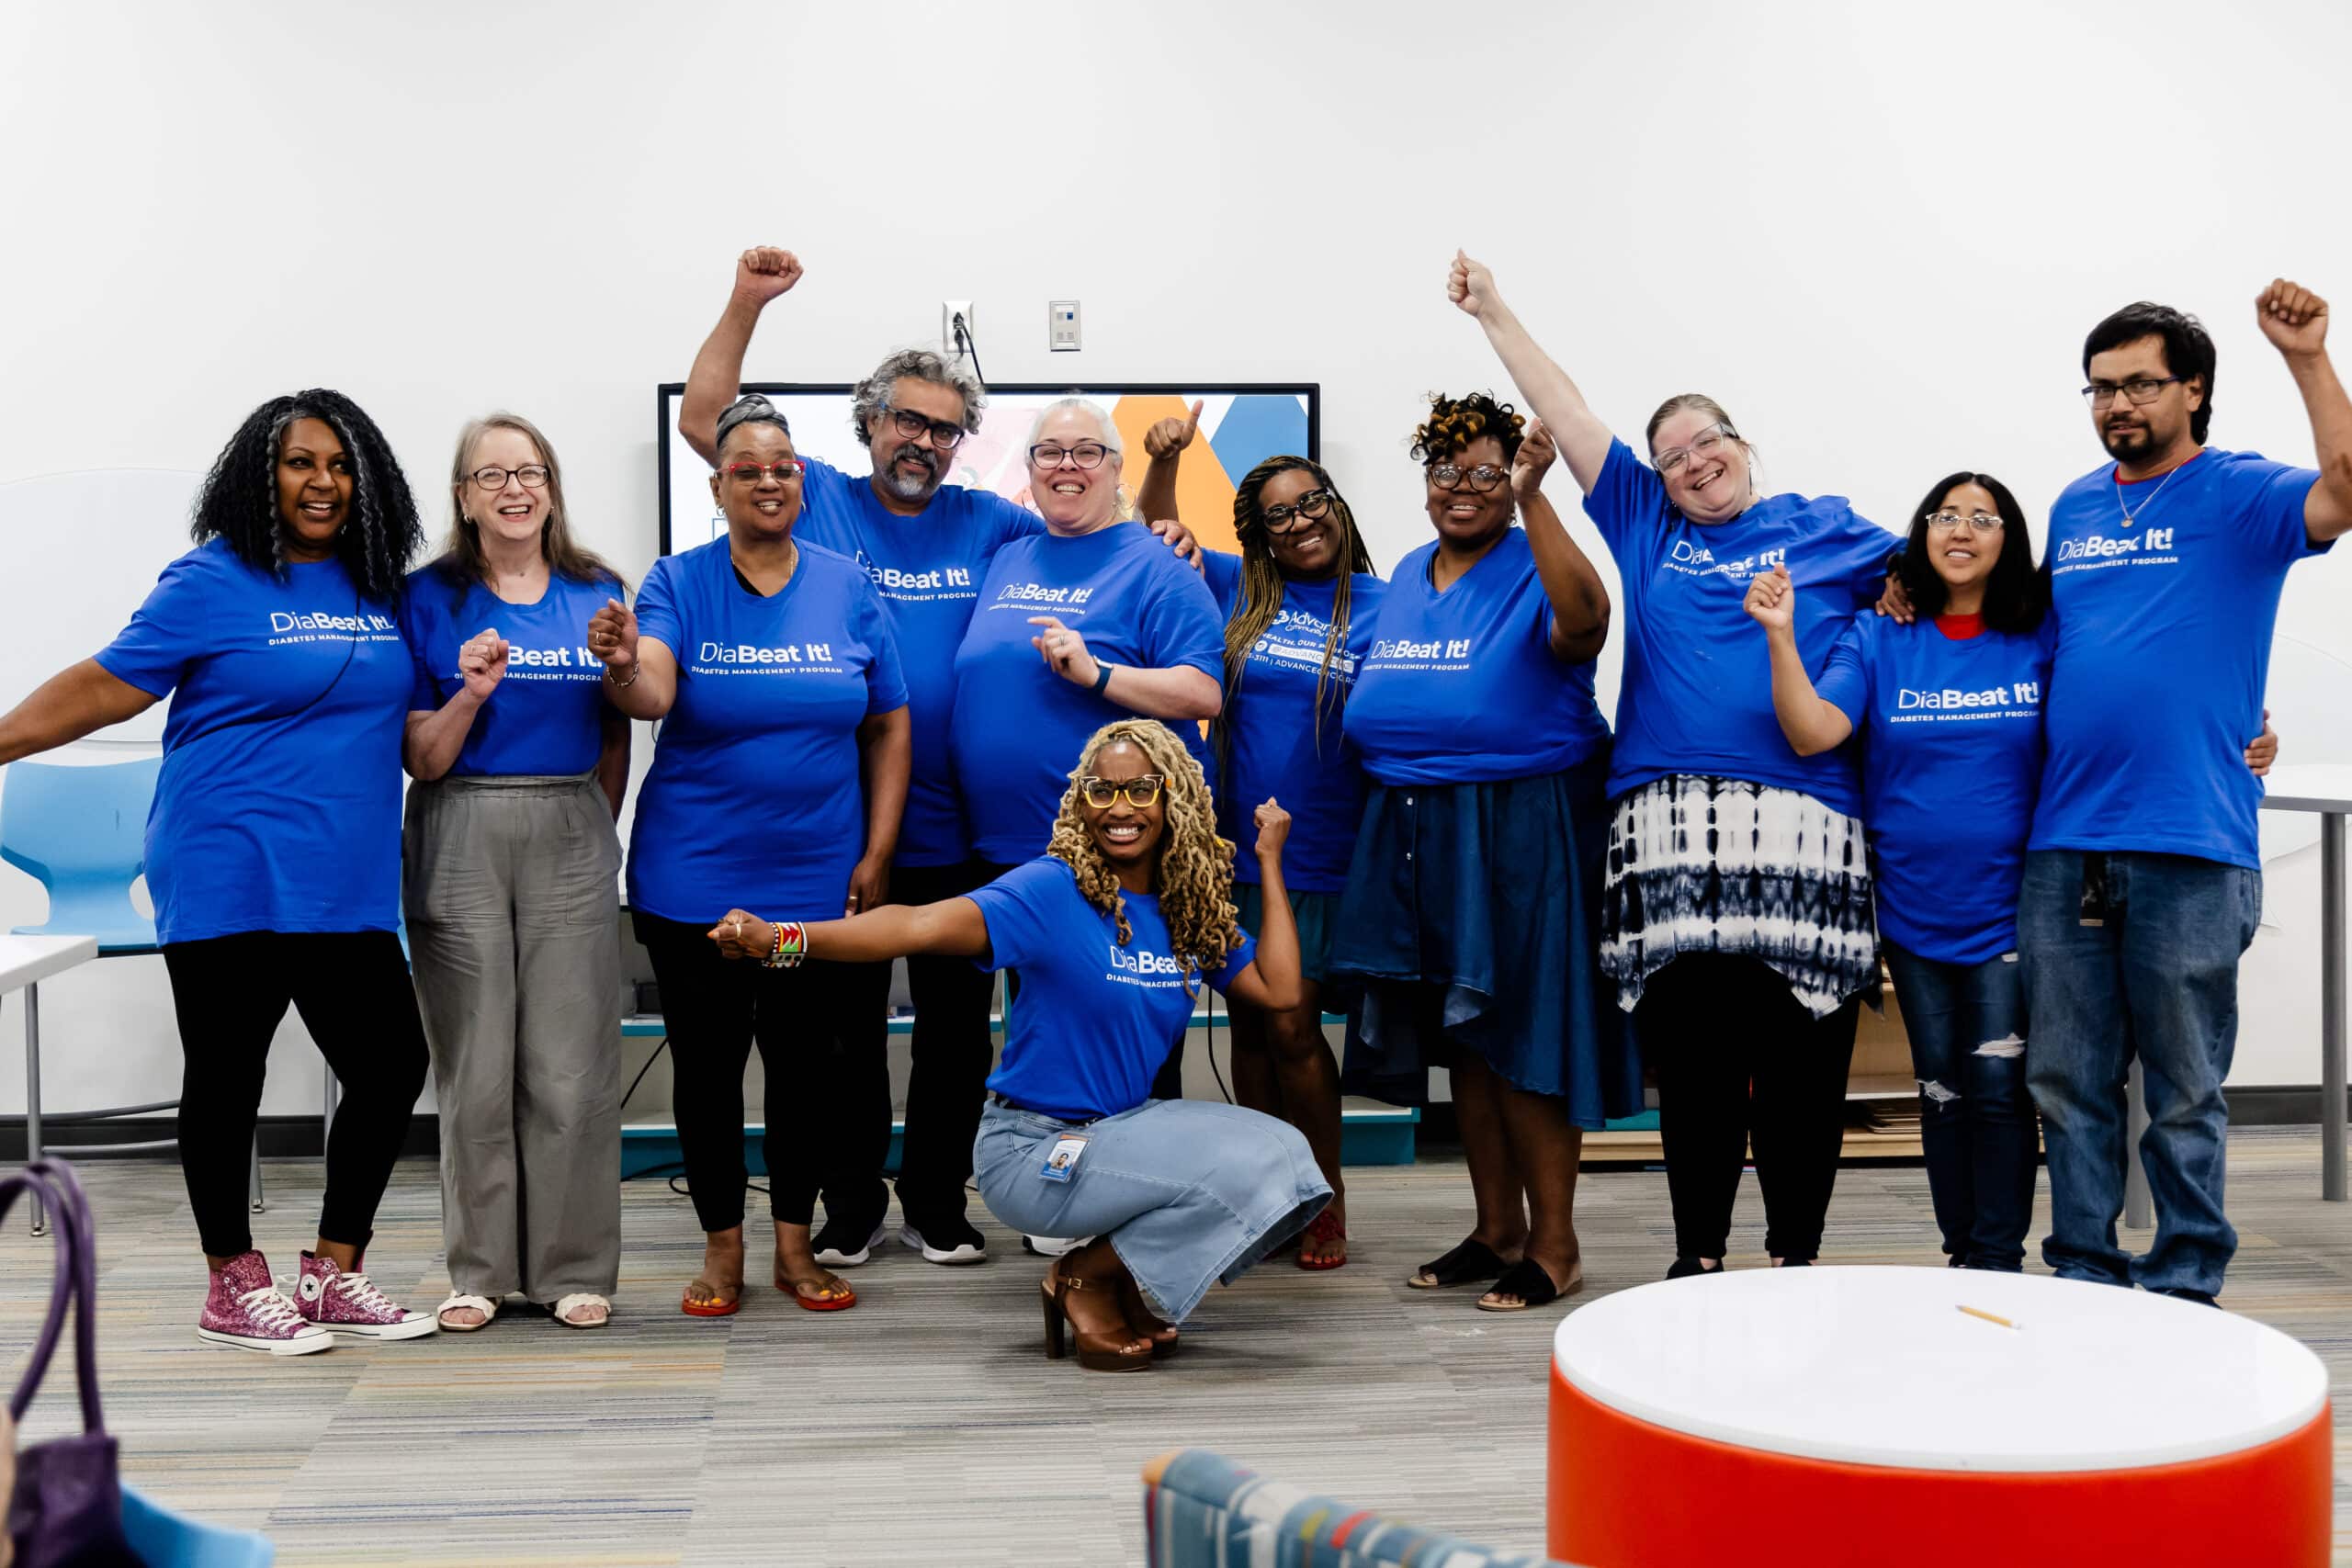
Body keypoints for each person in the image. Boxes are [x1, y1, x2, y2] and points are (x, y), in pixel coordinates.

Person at [679, 248, 1199, 1269]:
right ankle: (850, 1202)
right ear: (869, 423)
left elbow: (1083, 525)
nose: (921, 440)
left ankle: (936, 1200)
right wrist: (747, 303)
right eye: (905, 420)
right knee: (843, 1030)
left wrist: (1163, 530)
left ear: (964, 443)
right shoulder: (816, 495)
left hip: (975, 832)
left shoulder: (996, 525)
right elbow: (708, 419)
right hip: (851, 827)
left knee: (959, 1032)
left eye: (943, 427)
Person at [1453, 251, 1902, 1279]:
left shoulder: (1828, 527)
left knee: (1799, 1063)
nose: (1692, 463)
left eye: (1706, 442)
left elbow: (1968, 578)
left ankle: (1796, 1257)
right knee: (1695, 1067)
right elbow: (1563, 412)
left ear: (1743, 444)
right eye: (1670, 456)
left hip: (1804, 832)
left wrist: (1909, 593)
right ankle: (1697, 1254)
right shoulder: (1647, 524)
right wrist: (1495, 313)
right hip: (1664, 836)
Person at [1749, 474, 2282, 1272]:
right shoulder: (1877, 634)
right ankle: (1964, 1250)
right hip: (1913, 910)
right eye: (1944, 514)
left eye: (1983, 517)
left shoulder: (2042, 634)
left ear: (2011, 541)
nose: (1960, 529)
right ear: (1922, 533)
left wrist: (2246, 728)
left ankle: (1998, 1256)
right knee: (1942, 1093)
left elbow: (2134, 685)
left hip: (2018, 907)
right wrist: (1781, 635)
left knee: (2001, 1091)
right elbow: (1815, 730)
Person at [0, 389, 436, 1352]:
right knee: (229, 1070)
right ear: (260, 475)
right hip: (224, 856)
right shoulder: (210, 579)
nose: (321, 482)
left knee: (391, 1062)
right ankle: (232, 1283)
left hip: (343, 874)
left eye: (339, 464)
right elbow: (104, 684)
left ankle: (333, 1272)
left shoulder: (385, 591)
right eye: (299, 463)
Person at [706, 719, 1329, 1371]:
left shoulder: (1183, 907)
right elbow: (914, 925)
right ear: (1080, 801)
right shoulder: (1052, 891)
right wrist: (785, 938)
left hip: (1123, 1130)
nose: (1120, 808)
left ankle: (1113, 1277)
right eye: (1102, 790)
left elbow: (1281, 990)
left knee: (1284, 1155)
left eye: (1142, 790)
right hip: (1034, 1148)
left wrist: (1268, 862)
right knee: (1244, 1166)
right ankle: (1085, 1276)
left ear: (1175, 799)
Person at [2018, 281, 2349, 1305]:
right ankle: (2080, 1268)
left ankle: (2187, 1277)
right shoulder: (2075, 505)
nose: (2117, 404)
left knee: (2183, 1088)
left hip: (2190, 840)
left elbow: (2347, 489)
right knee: (2067, 1082)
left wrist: (2305, 358)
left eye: (2140, 385)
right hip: (2065, 840)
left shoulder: (2238, 493)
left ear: (2193, 390)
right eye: (2100, 388)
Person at [590, 396, 912, 1316]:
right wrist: (617, 663)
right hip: (691, 878)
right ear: (717, 486)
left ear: (799, 481)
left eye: (783, 466)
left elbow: (890, 722)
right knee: (707, 1070)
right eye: (748, 469)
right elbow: (650, 691)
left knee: (804, 1069)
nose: (768, 480)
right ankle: (723, 1252)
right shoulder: (679, 582)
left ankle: (794, 1250)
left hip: (813, 882)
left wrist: (879, 846)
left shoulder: (848, 583)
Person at [1327, 390, 1631, 1313]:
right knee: (1465, 1034)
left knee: (1525, 1032)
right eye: (1445, 471)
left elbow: (1586, 625)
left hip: (1523, 821)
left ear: (1510, 481)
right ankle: (1495, 1228)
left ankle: (1555, 1247)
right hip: (1415, 824)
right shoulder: (1412, 571)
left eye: (1485, 472)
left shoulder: (1535, 557)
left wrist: (1538, 497)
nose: (1462, 488)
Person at [400, 412, 631, 1331]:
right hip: (459, 822)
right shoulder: (425, 598)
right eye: (489, 474)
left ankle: (572, 1269)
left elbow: (618, 724)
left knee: (570, 1066)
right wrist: (471, 691)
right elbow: (420, 755)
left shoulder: (596, 588)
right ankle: (481, 1271)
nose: (512, 488)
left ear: (552, 485)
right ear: (462, 496)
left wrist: (591, 825)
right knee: (477, 1063)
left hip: (569, 821)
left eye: (528, 470)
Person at [1138, 426, 1385, 1270]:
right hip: (1229, 852)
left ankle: (1324, 1195)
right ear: (1258, 533)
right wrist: (1166, 462)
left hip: (1321, 855)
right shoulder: (1241, 587)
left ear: (1338, 507)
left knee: (1291, 1022)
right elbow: (1156, 536)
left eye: (1311, 502)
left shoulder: (1387, 603)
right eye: (1277, 516)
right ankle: (1270, 1193)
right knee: (1247, 1021)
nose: (1297, 523)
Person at [951, 399, 1227, 875]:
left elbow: (1204, 693)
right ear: (1031, 468)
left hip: (1114, 850)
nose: (1067, 466)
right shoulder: (1007, 556)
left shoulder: (1162, 561)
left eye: (1087, 452)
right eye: (1050, 452)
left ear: (1117, 467)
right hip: (995, 849)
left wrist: (1097, 673)